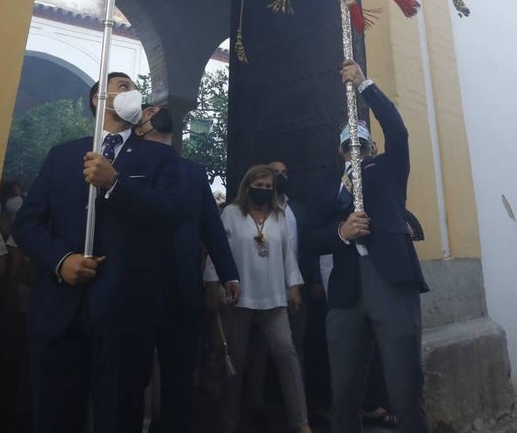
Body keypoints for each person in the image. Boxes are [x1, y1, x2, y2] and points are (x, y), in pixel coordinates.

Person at [14, 74, 181, 433]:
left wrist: (116, 183)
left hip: (125, 310)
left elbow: (170, 214)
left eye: (134, 87)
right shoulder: (62, 156)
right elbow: (28, 224)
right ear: (98, 99)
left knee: (118, 414)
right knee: (55, 412)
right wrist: (62, 261)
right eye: (122, 86)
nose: (131, 92)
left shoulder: (159, 157)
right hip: (61, 308)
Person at [306, 60, 429, 433]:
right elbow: (311, 236)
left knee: (404, 387)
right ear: (340, 151)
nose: (355, 151)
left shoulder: (390, 170)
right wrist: (341, 232)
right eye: (348, 146)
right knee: (343, 391)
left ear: (372, 146)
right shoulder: (330, 187)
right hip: (346, 292)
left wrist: (364, 86)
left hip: (390, 281)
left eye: (361, 144)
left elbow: (398, 130)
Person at [134, 104, 240, 433]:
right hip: (136, 286)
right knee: (133, 374)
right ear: (139, 128)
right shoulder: (126, 164)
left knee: (179, 374)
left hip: (183, 287)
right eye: (150, 110)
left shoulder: (192, 171)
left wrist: (228, 273)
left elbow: (210, 224)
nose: (160, 111)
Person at [205, 164, 311, 433]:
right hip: (238, 297)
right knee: (235, 363)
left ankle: (301, 423)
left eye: (267, 187)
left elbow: (288, 254)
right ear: (247, 186)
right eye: (258, 186)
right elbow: (217, 251)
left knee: (287, 354)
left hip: (274, 298)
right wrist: (213, 286)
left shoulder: (278, 217)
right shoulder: (230, 214)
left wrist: (294, 286)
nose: (263, 191)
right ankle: (227, 422)